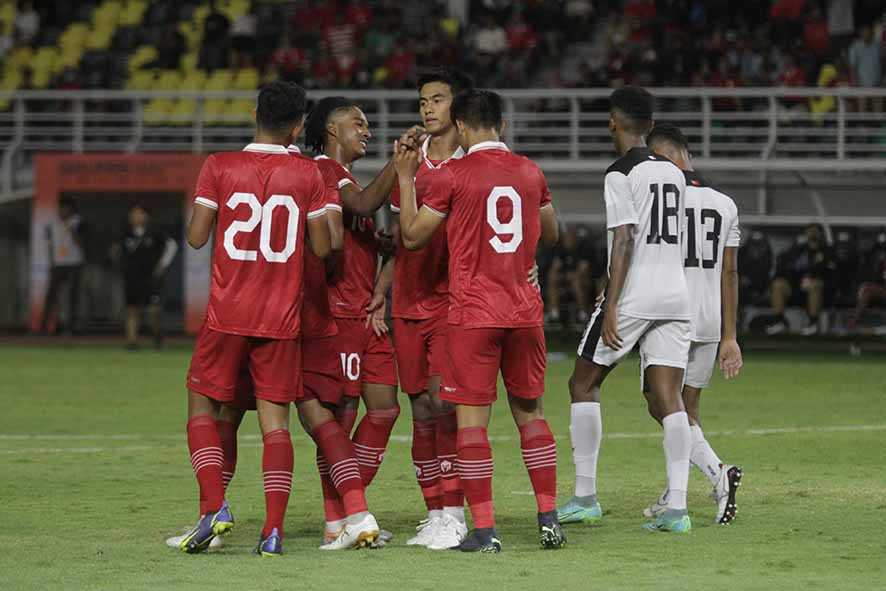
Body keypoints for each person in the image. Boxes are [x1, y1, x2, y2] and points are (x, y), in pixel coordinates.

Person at [398, 89, 563, 553]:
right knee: (531, 414)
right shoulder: (531, 172)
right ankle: (548, 518)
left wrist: (407, 180)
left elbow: (411, 237)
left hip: (473, 313)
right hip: (524, 311)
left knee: (472, 423)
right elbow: (552, 232)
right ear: (502, 127)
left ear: (463, 129)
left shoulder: (452, 174)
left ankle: (485, 530)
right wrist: (526, 259)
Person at [178, 81, 332, 556]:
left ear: (253, 114)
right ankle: (272, 533)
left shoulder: (220, 166)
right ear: (298, 125)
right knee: (275, 424)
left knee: (202, 407)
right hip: (281, 318)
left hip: (227, 313)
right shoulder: (308, 174)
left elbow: (197, 237)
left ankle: (214, 507)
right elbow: (324, 247)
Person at [557, 86, 694, 534]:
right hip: (677, 292)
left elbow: (626, 237)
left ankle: (585, 497)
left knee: (582, 382)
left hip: (636, 293)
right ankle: (677, 508)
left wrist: (611, 303)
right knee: (670, 398)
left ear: (612, 122)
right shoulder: (674, 173)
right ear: (650, 127)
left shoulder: (619, 173)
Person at [302, 97, 423, 547]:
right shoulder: (324, 173)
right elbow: (366, 203)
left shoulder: (345, 177)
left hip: (365, 314)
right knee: (342, 414)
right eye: (359, 123)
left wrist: (383, 263)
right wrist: (400, 163)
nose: (366, 131)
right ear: (332, 130)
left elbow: (364, 233)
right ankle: (343, 519)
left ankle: (346, 517)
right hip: (336, 315)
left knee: (385, 409)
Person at [388, 68, 473, 549]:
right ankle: (435, 512)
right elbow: (402, 239)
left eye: (438, 99)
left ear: (455, 107)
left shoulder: (469, 164)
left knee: (445, 403)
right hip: (408, 297)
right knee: (419, 407)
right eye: (423, 100)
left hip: (450, 300)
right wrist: (383, 289)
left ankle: (455, 512)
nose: (427, 107)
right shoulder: (410, 160)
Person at [643, 123, 744, 525]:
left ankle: (718, 474)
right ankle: (676, 485)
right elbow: (730, 273)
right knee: (687, 409)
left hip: (667, 315)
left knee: (661, 405)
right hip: (708, 320)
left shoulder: (661, 198)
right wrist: (730, 336)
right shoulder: (725, 203)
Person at [116, 204, 178, 350]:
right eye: (133, 214)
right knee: (132, 309)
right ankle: (132, 342)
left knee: (153, 311)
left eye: (138, 214)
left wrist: (162, 266)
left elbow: (172, 246)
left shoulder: (155, 233)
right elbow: (117, 251)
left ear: (146, 216)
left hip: (150, 278)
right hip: (132, 278)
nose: (135, 217)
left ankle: (158, 340)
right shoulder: (125, 233)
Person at [765, 223, 836, 336]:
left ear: (820, 233)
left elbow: (830, 273)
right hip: (797, 287)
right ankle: (780, 322)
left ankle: (812, 324)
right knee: (778, 284)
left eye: (815, 231)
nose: (812, 233)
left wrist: (812, 277)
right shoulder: (798, 250)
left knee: (815, 284)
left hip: (820, 290)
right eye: (810, 231)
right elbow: (786, 267)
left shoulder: (828, 251)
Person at [39, 196, 84, 336]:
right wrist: (51, 262)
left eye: (65, 208)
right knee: (51, 295)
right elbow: (49, 244)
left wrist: (72, 230)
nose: (62, 211)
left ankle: (71, 327)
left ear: (71, 209)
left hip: (74, 263)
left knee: (72, 296)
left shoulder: (78, 222)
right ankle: (44, 327)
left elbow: (82, 243)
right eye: (59, 208)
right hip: (58, 263)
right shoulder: (51, 224)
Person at [544, 225, 597, 325]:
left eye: (570, 238)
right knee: (552, 278)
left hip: (583, 282)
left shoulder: (583, 250)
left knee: (575, 280)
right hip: (566, 281)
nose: (567, 241)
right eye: (566, 238)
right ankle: (554, 313)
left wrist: (570, 276)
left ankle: (583, 313)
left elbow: (583, 270)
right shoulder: (561, 250)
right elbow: (555, 268)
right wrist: (555, 274)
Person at [849, 230, 886, 329]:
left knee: (867, 289)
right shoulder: (878, 263)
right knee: (866, 291)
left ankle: (853, 321)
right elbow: (879, 280)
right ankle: (853, 322)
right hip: (882, 289)